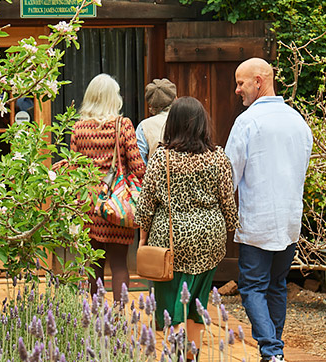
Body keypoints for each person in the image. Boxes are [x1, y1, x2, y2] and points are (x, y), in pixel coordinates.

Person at [224, 58, 313, 362]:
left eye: (241, 83)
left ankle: (272, 352)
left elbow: (229, 176)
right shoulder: (297, 121)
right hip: (290, 221)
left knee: (252, 288)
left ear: (259, 81)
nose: (237, 90)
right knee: (276, 286)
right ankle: (273, 352)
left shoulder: (248, 121)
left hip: (258, 222)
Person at [136, 96, 237, 353]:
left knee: (171, 302)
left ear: (173, 124)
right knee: (197, 302)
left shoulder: (162, 158)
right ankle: (192, 353)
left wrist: (143, 238)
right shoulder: (218, 158)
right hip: (208, 240)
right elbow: (227, 202)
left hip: (169, 240)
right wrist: (230, 228)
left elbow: (146, 204)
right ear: (203, 124)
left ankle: (176, 350)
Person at [71, 73, 146, 303]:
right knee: (119, 263)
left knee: (93, 265)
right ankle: (118, 318)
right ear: (113, 98)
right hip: (116, 203)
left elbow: (74, 168)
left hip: (88, 204)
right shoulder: (123, 126)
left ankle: (93, 318)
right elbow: (137, 167)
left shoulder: (78, 129)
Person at [135, 78, 177, 164]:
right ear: (175, 99)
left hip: (155, 175)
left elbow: (139, 159)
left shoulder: (144, 126)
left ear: (151, 106)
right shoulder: (187, 120)